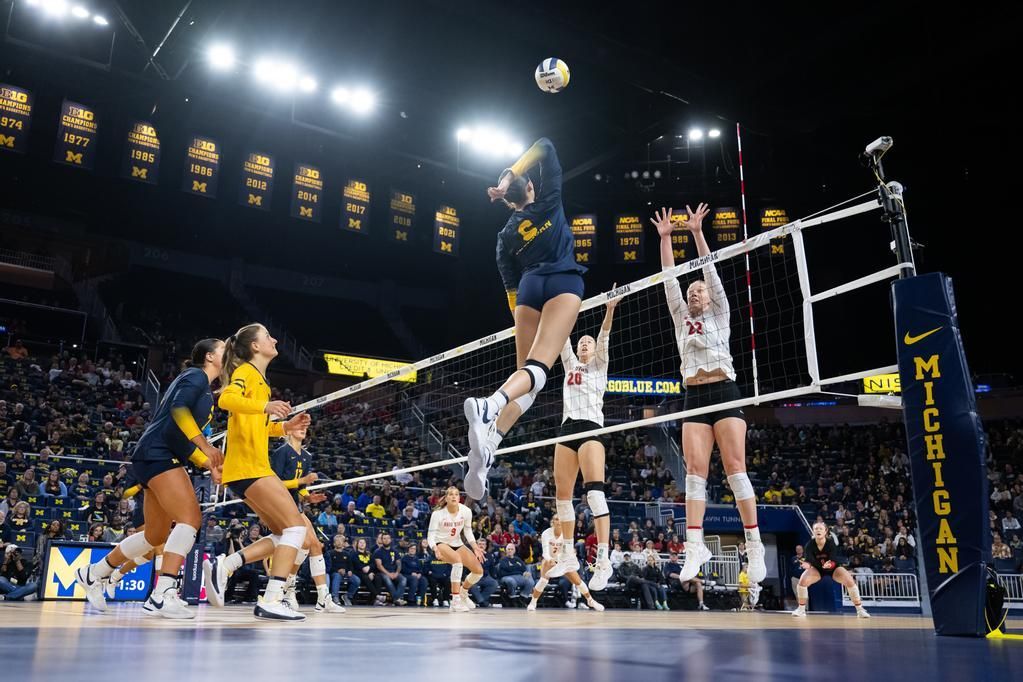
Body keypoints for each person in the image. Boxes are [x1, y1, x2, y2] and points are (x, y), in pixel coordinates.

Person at [463, 138, 586, 499]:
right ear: (530, 186)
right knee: (540, 370)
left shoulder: (505, 236)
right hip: (564, 281)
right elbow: (547, 144)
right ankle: (490, 405)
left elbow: (510, 289)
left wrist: (522, 321)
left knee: (528, 381)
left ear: (506, 200)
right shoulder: (548, 200)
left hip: (528, 291)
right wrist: (510, 177)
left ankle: (486, 450)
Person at [651, 204, 766, 584]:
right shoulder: (681, 317)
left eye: (699, 289)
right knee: (694, 476)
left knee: (735, 469)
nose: (694, 292)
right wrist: (666, 239)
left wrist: (698, 234)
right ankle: (695, 545)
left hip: (725, 391)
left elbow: (710, 271)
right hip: (693, 396)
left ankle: (754, 543)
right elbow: (669, 279)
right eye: (691, 290)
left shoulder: (719, 313)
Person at [74, 339, 224, 619]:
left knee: (155, 534)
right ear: (210, 356)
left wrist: (208, 463)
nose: (229, 352)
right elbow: (178, 413)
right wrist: (206, 448)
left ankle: (94, 573)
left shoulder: (203, 388)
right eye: (224, 348)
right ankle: (163, 593)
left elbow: (176, 433)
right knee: (190, 519)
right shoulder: (195, 376)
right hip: (157, 454)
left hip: (153, 453)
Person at [207, 324, 312, 621]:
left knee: (285, 533)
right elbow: (226, 399)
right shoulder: (246, 373)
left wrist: (285, 427)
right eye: (268, 336)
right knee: (296, 529)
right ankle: (272, 598)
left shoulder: (260, 381)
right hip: (249, 467)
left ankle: (226, 566)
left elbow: (257, 426)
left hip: (249, 468)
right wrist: (265, 406)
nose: (275, 339)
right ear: (255, 346)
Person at [205, 421, 344, 614]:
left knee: (309, 543)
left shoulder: (306, 456)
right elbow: (274, 483)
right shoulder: (282, 452)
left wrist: (308, 496)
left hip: (294, 502)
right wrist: (301, 481)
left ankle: (310, 595)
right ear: (289, 430)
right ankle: (292, 593)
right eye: (298, 426)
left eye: (305, 428)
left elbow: (300, 488)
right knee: (304, 540)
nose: (303, 429)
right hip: (279, 500)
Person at [546, 293, 620, 591]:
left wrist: (609, 310)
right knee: (562, 497)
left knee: (593, 495)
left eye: (587, 342)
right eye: (581, 343)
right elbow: (563, 334)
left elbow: (604, 335)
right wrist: (561, 305)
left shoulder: (599, 366)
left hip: (591, 428)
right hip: (567, 429)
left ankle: (603, 559)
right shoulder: (570, 364)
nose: (584, 344)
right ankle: (567, 554)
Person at [793, 521, 870, 618]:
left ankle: (860, 610)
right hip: (817, 569)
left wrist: (830, 564)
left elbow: (833, 559)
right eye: (816, 529)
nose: (818, 530)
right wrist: (807, 564)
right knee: (802, 581)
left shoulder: (830, 543)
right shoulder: (809, 545)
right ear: (813, 531)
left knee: (850, 581)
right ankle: (801, 610)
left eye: (820, 528)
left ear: (825, 531)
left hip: (833, 568)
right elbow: (809, 561)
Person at [526, 515, 604, 611]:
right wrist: (550, 559)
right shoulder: (546, 533)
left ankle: (590, 600)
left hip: (563, 560)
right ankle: (533, 602)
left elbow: (568, 551)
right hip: (549, 559)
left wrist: (567, 557)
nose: (558, 521)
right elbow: (545, 552)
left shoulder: (566, 534)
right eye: (556, 519)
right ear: (552, 522)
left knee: (578, 582)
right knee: (543, 581)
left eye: (560, 519)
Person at [427, 486, 486, 612]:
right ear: (446, 498)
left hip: (457, 543)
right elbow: (430, 536)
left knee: (478, 571)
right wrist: (435, 548)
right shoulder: (437, 514)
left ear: (459, 497)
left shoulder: (466, 511)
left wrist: (475, 547)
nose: (454, 496)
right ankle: (455, 601)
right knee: (457, 561)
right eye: (451, 494)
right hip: (440, 542)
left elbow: (468, 530)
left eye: (456, 494)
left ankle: (463, 592)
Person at [372, 531, 408, 606]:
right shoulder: (378, 551)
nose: (386, 540)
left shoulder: (395, 551)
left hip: (394, 572)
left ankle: (396, 599)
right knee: (388, 580)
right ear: (381, 540)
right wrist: (388, 574)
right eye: (384, 538)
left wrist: (396, 573)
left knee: (403, 579)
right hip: (382, 572)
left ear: (391, 540)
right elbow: (379, 566)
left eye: (388, 538)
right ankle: (397, 599)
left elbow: (399, 564)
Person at [400, 542, 429, 606]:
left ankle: (420, 599)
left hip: (416, 575)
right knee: (414, 579)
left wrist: (420, 574)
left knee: (424, 580)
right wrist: (411, 573)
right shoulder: (404, 558)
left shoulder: (417, 559)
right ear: (408, 549)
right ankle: (410, 599)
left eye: (414, 549)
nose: (412, 550)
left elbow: (420, 569)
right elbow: (403, 569)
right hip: (406, 575)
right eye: (411, 548)